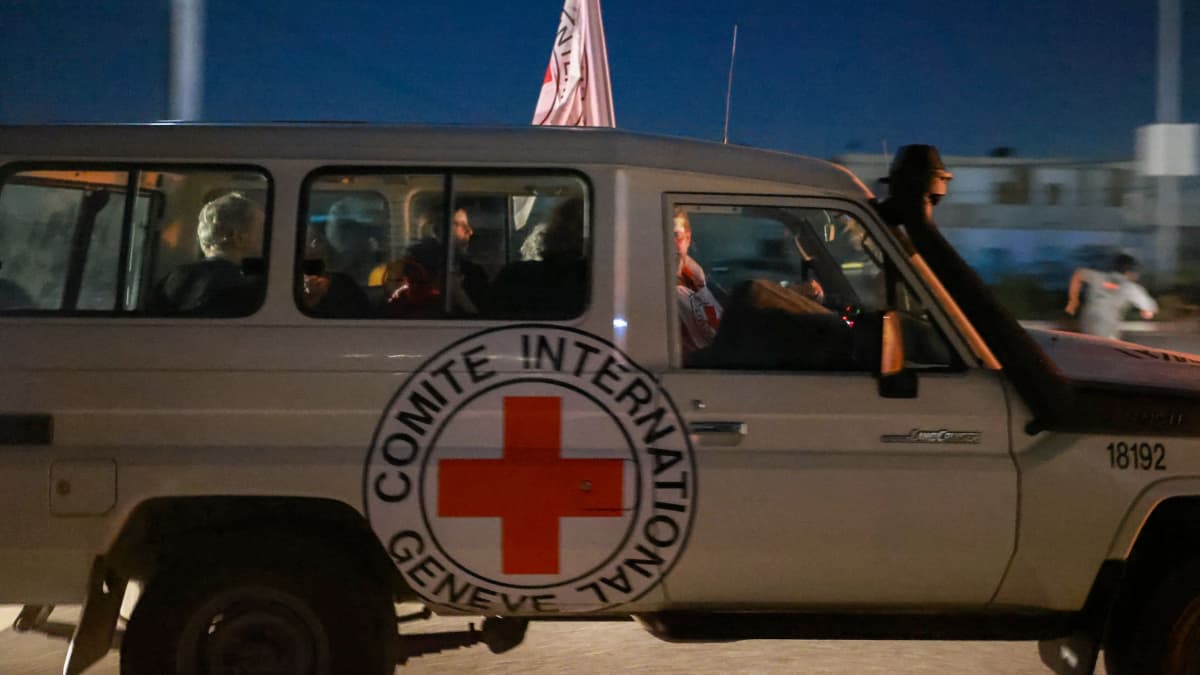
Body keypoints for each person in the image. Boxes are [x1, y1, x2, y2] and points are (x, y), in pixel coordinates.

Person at [149, 192, 264, 316]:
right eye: (262, 231)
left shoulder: (170, 280)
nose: (267, 239)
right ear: (239, 238)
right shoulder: (247, 293)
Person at [407, 207, 489, 313]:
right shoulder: (415, 269)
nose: (470, 231)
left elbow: (486, 319)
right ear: (440, 231)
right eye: (462, 225)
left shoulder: (475, 273)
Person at [1065, 253, 1158, 339]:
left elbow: (1078, 274)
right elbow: (1151, 308)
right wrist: (1147, 312)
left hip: (1086, 325)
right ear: (1129, 272)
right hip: (1106, 332)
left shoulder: (1098, 277)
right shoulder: (1130, 287)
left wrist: (1073, 300)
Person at [672, 207, 722, 354]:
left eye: (676, 235)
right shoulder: (655, 289)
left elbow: (715, 324)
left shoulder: (697, 280)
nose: (669, 242)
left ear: (688, 238)